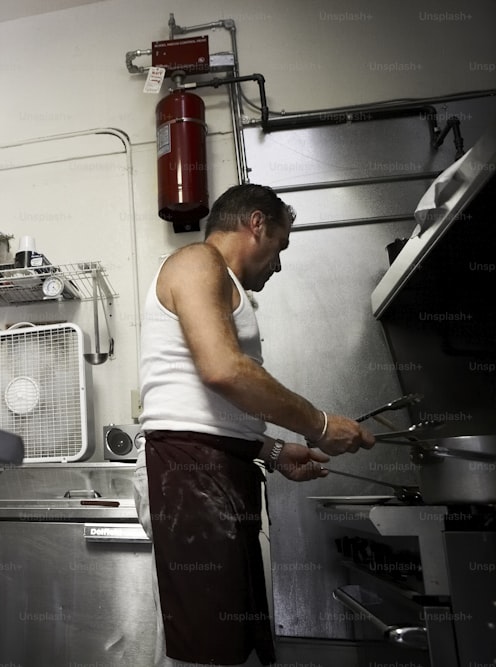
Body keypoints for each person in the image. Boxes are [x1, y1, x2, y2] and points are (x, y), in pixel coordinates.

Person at [133, 183, 375, 667]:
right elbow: (224, 370)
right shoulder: (198, 262)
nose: (279, 264)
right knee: (207, 652)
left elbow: (209, 407)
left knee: (230, 645)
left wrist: (272, 453)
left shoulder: (220, 280)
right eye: (280, 247)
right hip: (186, 471)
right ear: (256, 223)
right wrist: (321, 425)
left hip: (212, 467)